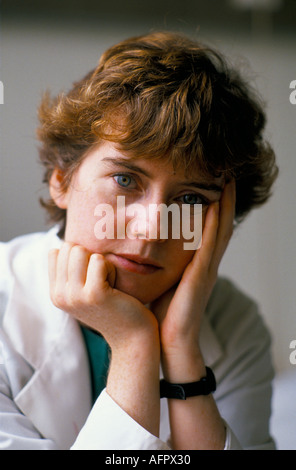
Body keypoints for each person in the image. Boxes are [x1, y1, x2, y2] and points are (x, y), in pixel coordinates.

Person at [0, 31, 278, 450]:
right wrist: (133, 345)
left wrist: (181, 346)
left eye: (190, 198)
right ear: (62, 179)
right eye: (125, 180)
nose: (152, 228)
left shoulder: (236, 324)